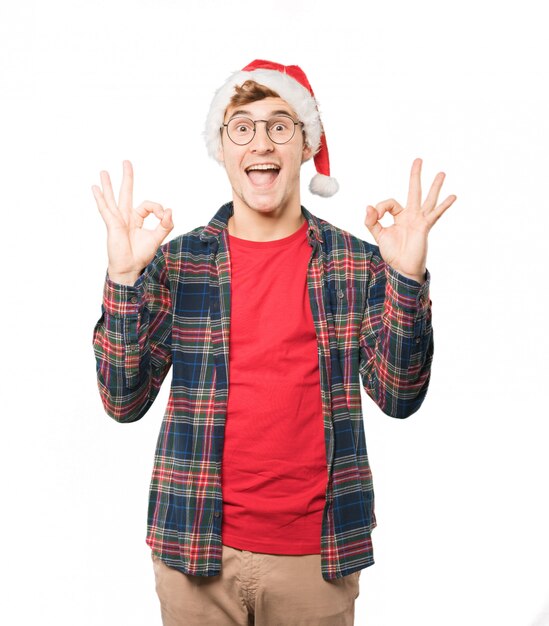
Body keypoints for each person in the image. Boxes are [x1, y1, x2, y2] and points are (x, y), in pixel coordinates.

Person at [91, 59, 456, 626]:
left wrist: (406, 279)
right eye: (243, 126)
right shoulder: (178, 261)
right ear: (223, 145)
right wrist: (122, 282)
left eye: (280, 125)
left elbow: (399, 395)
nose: (261, 142)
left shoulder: (356, 263)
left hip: (316, 559)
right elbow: (122, 400)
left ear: (306, 144)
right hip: (193, 551)